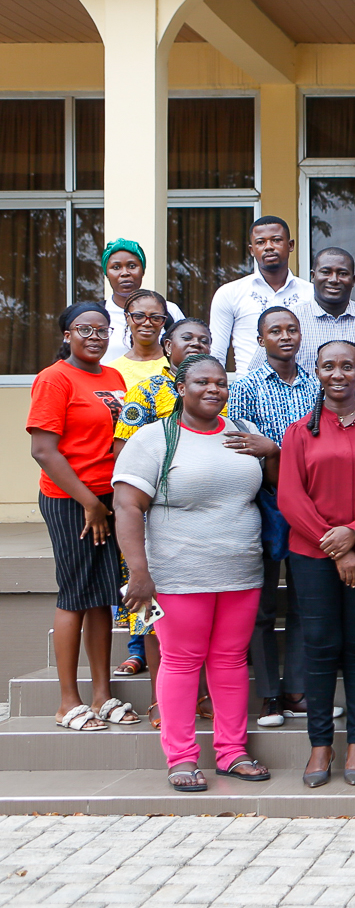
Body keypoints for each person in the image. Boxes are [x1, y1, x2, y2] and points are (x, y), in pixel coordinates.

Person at [113, 353, 273, 790]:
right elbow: (127, 506)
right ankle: (181, 758)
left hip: (241, 570)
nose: (212, 390)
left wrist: (272, 450)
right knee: (182, 662)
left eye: (220, 383)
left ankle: (232, 751)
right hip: (177, 574)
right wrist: (139, 572)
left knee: (231, 662)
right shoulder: (153, 438)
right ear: (180, 388)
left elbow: (275, 482)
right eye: (201, 382)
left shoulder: (244, 433)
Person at [279, 340, 355, 788]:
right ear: (316, 370)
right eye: (328, 365)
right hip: (313, 557)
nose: (338, 374)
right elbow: (290, 497)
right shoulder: (298, 433)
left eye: (346, 366)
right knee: (320, 645)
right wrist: (337, 546)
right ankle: (320, 745)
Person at [28, 302, 136, 733]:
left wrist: (109, 500)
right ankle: (67, 701)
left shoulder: (112, 377)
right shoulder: (54, 378)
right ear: (67, 334)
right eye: (84, 329)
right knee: (75, 594)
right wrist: (89, 503)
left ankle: (102, 693)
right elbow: (43, 450)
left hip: (108, 501)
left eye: (102, 329)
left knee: (101, 596)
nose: (95, 336)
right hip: (71, 500)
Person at [111, 315, 218, 698]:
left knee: (199, 616)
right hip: (148, 516)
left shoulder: (217, 391)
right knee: (148, 616)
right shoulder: (145, 391)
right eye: (187, 338)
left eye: (204, 340)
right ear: (167, 345)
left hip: (200, 523)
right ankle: (160, 698)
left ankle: (200, 695)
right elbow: (122, 453)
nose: (196, 344)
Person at [226, 307, 321, 728]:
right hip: (262, 501)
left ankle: (297, 690)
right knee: (262, 606)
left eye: (292, 329)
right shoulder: (245, 387)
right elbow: (241, 443)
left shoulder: (317, 384)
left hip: (310, 502)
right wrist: (274, 454)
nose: (285, 336)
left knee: (304, 600)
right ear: (260, 339)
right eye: (275, 331)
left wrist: (278, 450)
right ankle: (268, 695)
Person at [263, 247, 355, 393]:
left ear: (353, 280)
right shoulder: (288, 321)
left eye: (342, 273)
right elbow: (261, 373)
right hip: (303, 414)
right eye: (326, 272)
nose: (334, 280)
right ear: (312, 276)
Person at [209, 215, 313, 372]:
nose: (269, 247)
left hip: (302, 390)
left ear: (290, 245)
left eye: (276, 240)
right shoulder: (230, 293)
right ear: (252, 250)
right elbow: (216, 355)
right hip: (249, 393)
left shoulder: (311, 293)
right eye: (260, 242)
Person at [101, 239, 183, 363]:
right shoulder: (97, 315)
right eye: (116, 267)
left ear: (143, 270)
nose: (125, 273)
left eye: (132, 266)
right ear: (106, 273)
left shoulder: (169, 310)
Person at [108, 289, 173, 392]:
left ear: (164, 321)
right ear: (127, 318)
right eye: (138, 316)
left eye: (155, 318)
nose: (147, 323)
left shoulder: (176, 364)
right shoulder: (113, 370)